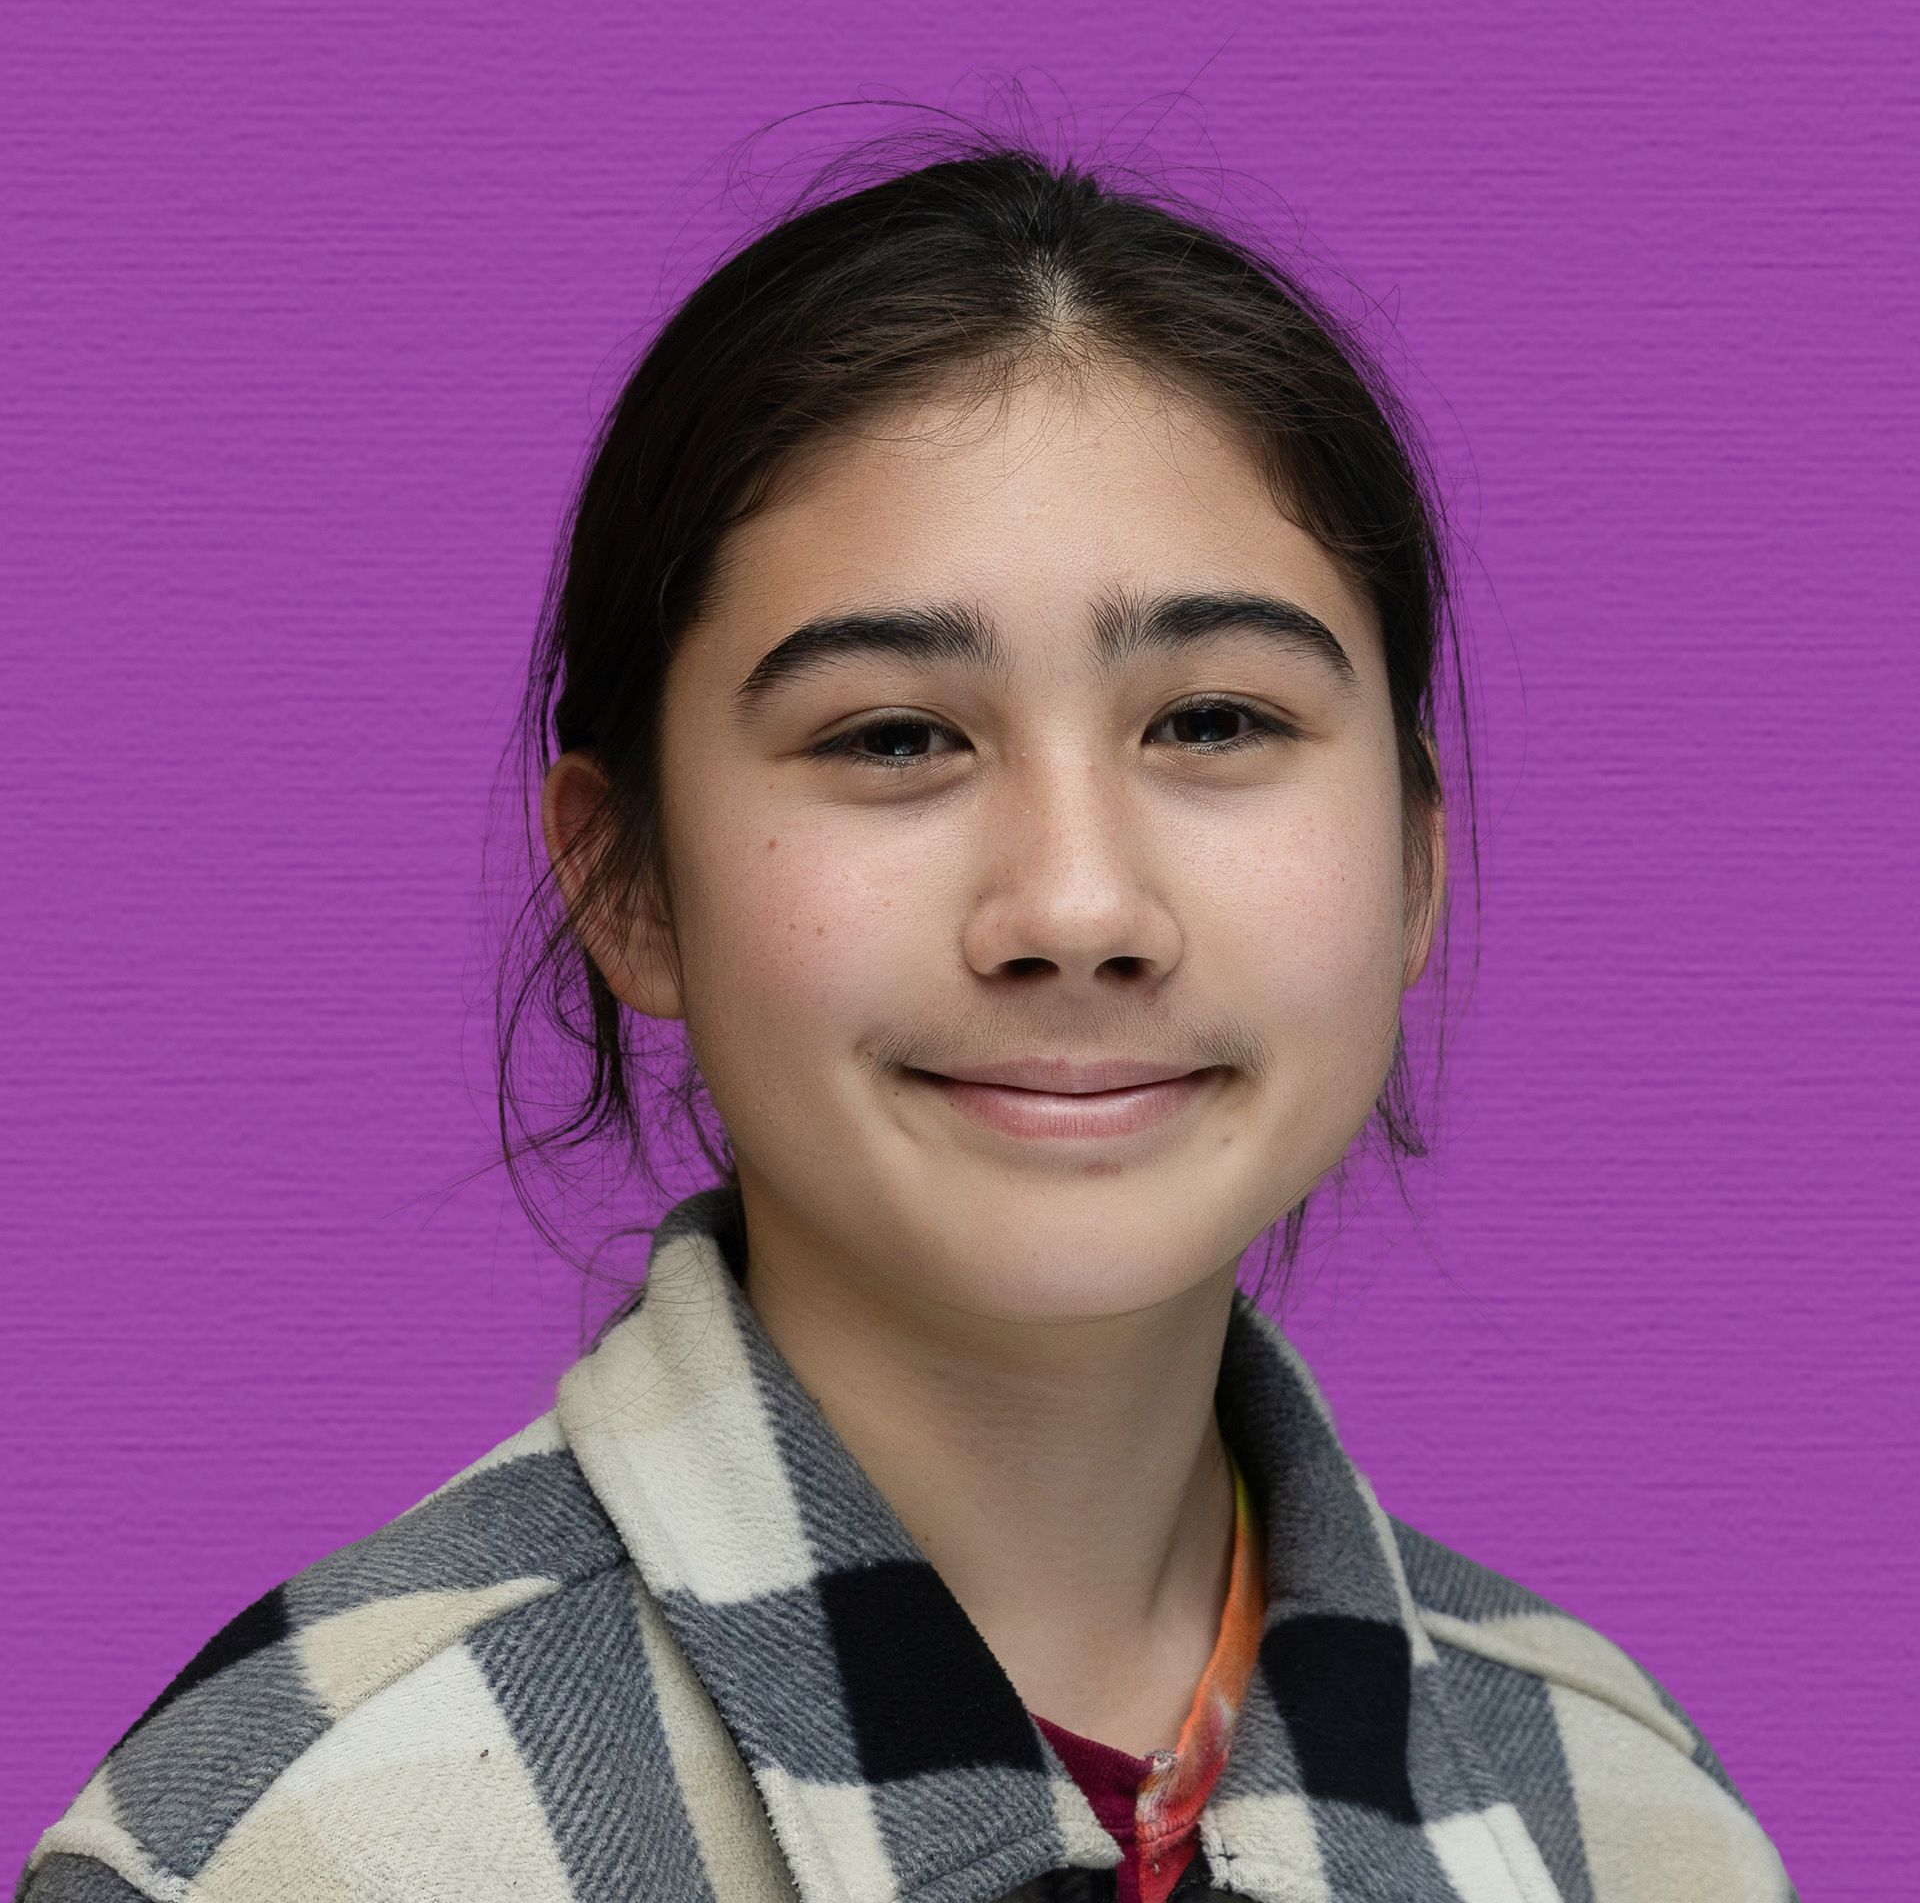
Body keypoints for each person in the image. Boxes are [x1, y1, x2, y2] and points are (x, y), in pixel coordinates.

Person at [20, 144, 1794, 1903]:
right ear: (627, 879)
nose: (1079, 910)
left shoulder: (1632, 1826)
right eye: (891, 738)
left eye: (1216, 721)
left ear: (1414, 861)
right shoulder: (302, 1844)